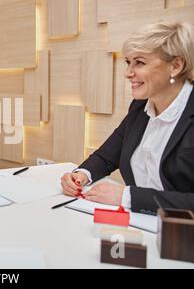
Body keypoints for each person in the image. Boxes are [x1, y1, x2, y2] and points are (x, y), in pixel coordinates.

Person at [61, 21, 194, 214]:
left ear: (175, 66)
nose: (128, 73)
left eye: (139, 62)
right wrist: (81, 174)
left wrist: (127, 196)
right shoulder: (140, 107)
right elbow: (106, 156)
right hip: (137, 225)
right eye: (128, 62)